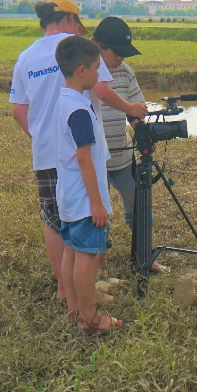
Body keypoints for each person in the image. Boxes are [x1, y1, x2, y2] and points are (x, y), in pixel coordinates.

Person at [8, 0, 147, 300]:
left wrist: (45, 138)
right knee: (85, 221)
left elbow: (18, 109)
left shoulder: (26, 57)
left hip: (47, 154)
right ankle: (86, 293)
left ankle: (64, 288)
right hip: (82, 151)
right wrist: (130, 107)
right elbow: (99, 88)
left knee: (54, 219)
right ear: (70, 19)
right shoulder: (78, 49)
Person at [51, 35, 123, 335]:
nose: (99, 74)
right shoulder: (79, 110)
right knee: (87, 256)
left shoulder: (65, 100)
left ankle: (74, 310)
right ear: (82, 70)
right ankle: (90, 318)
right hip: (84, 200)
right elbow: (84, 159)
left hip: (68, 196)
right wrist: (97, 203)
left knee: (70, 251)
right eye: (96, 69)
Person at [92, 16, 166, 273]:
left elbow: (135, 111)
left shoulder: (124, 72)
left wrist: (141, 132)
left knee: (139, 203)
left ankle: (144, 254)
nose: (122, 58)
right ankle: (99, 266)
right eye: (118, 52)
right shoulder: (85, 72)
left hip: (122, 157)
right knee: (99, 211)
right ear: (100, 46)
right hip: (94, 161)